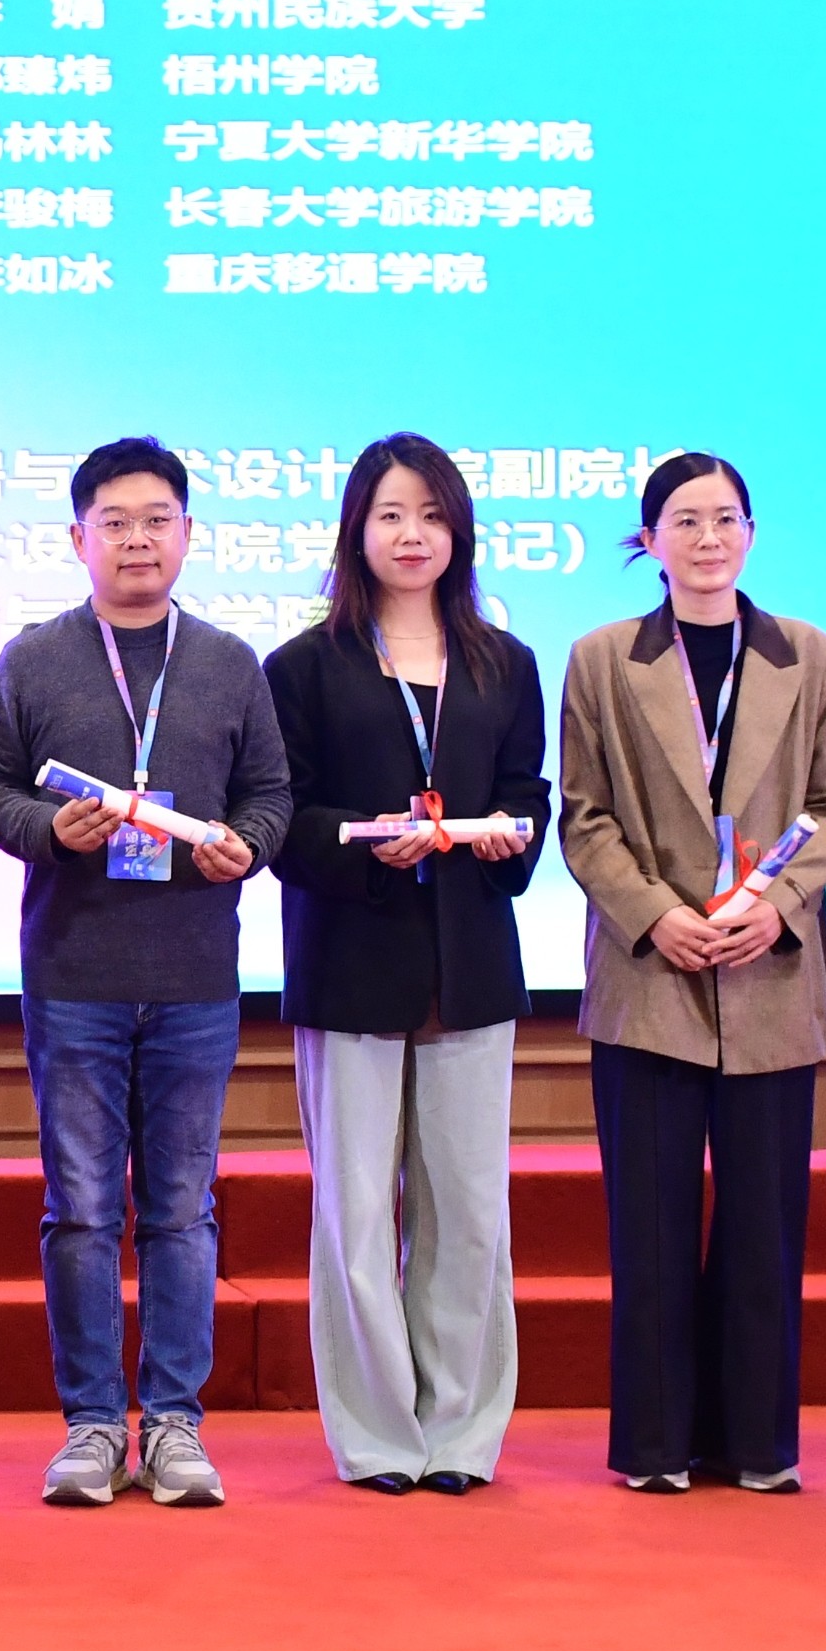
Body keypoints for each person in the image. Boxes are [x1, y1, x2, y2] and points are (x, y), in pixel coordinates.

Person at [0, 435, 295, 1511]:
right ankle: (91, 1424)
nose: (138, 539)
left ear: (189, 534)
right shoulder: (34, 659)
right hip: (75, 976)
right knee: (80, 1211)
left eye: (158, 520)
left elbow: (270, 793)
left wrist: (249, 843)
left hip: (196, 977)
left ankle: (174, 1424)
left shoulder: (229, 662)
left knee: (181, 1211)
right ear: (79, 538)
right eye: (115, 522)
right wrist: (47, 831)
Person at [553, 451, 826, 1495]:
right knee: (648, 1226)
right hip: (651, 974)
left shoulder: (810, 656)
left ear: (752, 532)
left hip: (771, 971)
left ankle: (758, 1445)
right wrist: (657, 915)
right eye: (684, 520)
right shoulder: (603, 658)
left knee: (764, 1229)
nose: (707, 538)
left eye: (726, 518)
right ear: (650, 540)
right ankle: (654, 1447)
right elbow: (585, 816)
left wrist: (776, 904)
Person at [264, 436, 547, 1495]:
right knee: (355, 1217)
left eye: (431, 514)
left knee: (470, 1213)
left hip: (469, 963)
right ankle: (379, 1438)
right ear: (357, 530)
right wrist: (366, 845)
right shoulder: (303, 666)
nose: (412, 534)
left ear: (458, 530)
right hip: (351, 960)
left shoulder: (503, 661)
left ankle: (462, 1435)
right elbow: (285, 818)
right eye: (390, 514)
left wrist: (506, 834)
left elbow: (527, 792)